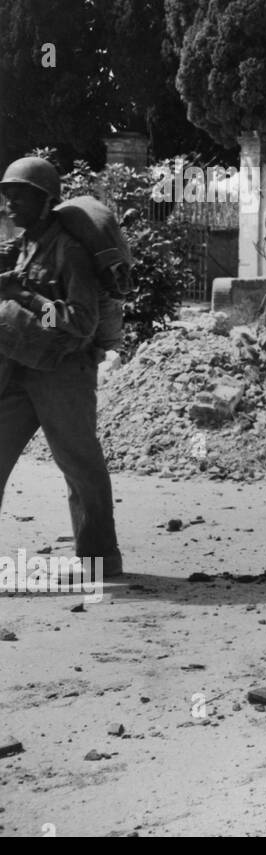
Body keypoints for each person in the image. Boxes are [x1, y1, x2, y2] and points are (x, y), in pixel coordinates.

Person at [0, 157, 121, 576]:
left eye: (20, 195)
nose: (10, 202)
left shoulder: (68, 251)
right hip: (19, 368)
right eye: (7, 194)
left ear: (46, 200)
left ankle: (100, 559)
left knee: (79, 464)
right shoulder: (23, 246)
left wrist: (29, 298)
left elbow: (76, 320)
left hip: (64, 374)